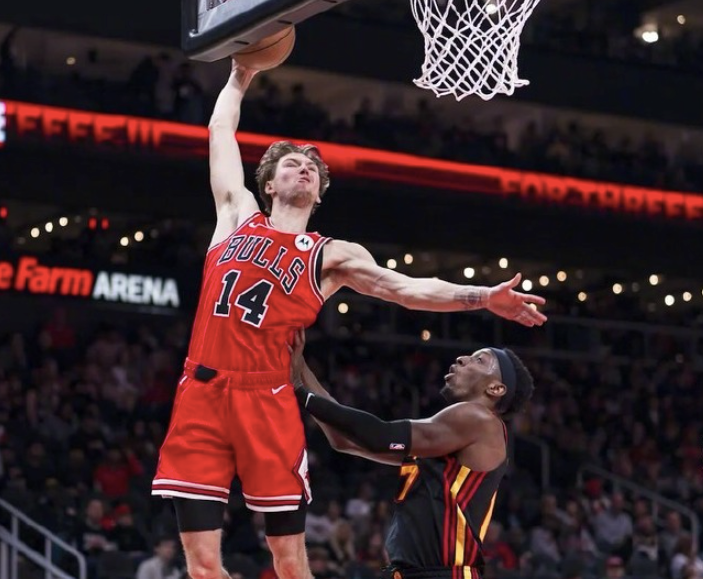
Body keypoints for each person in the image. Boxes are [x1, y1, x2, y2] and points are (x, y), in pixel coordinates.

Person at [151, 57, 547, 579]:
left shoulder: (331, 254)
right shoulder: (234, 215)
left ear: (319, 192)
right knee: (203, 566)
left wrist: (481, 297)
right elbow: (220, 130)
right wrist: (238, 78)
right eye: (291, 164)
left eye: (312, 168)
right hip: (201, 390)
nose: (304, 169)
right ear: (268, 184)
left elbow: (407, 289)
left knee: (289, 561)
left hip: (267, 396)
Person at [290, 330, 535, 579]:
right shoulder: (445, 441)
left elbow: (379, 435)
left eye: (479, 360)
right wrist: (300, 370)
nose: (462, 358)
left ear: (496, 388)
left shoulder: (480, 419)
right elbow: (344, 440)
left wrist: (301, 391)